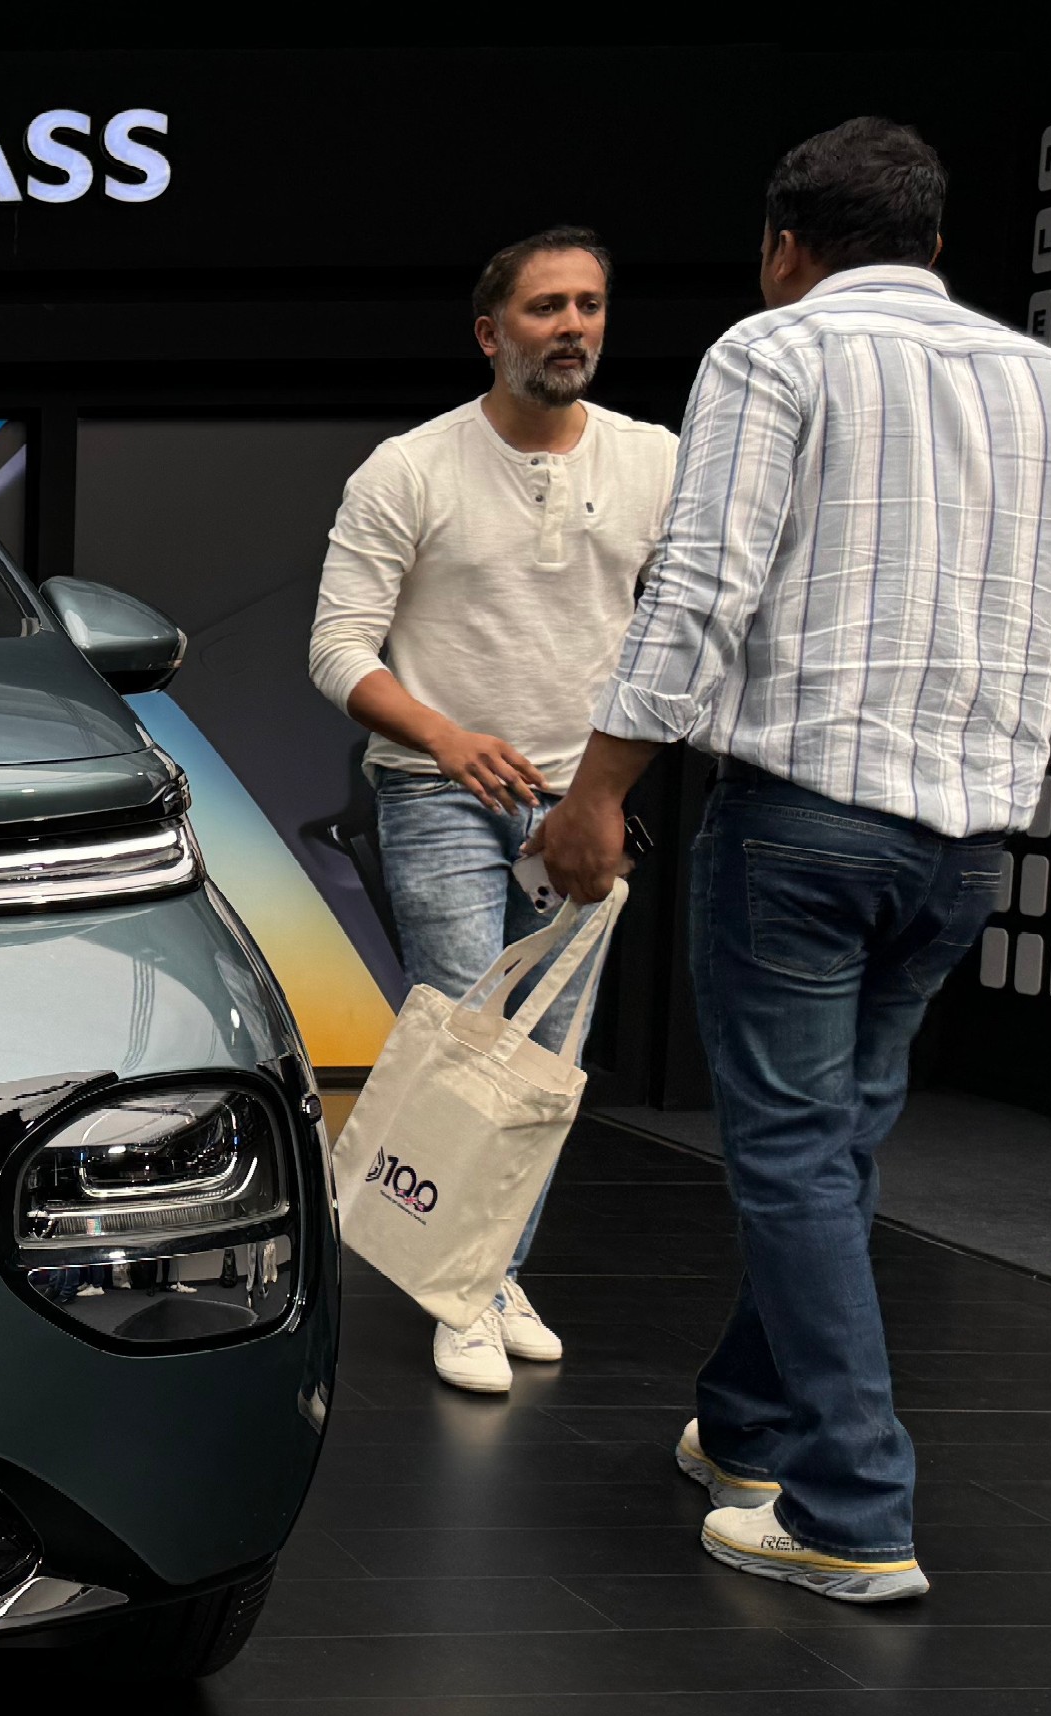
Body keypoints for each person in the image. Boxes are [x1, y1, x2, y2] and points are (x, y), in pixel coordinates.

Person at [527, 119, 1051, 1603]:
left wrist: (596, 790)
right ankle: (746, 1432)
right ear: (933, 244)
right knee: (832, 1145)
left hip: (801, 820)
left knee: (796, 1153)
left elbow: (700, 587)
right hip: (966, 840)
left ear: (783, 246)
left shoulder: (774, 350)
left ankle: (851, 1508)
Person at [309, 227, 679, 1395]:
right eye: (543, 307)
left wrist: (608, 788)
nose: (570, 326)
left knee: (547, 1055)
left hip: (579, 798)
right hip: (437, 791)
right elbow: (334, 648)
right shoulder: (408, 467)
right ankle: (464, 1291)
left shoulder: (653, 461)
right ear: (489, 332)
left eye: (587, 305)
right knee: (470, 1043)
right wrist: (444, 736)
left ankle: (485, 1274)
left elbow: (682, 632)